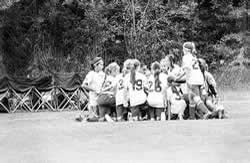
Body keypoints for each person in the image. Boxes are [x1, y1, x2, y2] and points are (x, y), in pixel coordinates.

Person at [175, 42, 210, 119]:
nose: (182, 50)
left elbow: (186, 70)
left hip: (193, 79)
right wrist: (179, 77)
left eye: (183, 49)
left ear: (186, 50)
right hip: (199, 78)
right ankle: (192, 117)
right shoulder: (193, 57)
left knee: (195, 97)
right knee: (192, 98)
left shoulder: (186, 57)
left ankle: (206, 112)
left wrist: (181, 79)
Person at [80, 57, 105, 121]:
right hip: (93, 97)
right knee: (95, 116)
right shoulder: (91, 74)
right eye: (101, 64)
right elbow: (83, 85)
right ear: (95, 65)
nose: (103, 66)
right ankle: (89, 116)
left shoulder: (103, 74)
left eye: (103, 64)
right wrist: (95, 90)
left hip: (102, 96)